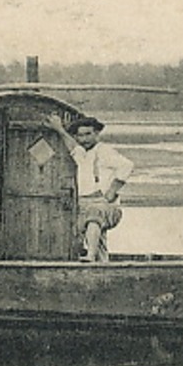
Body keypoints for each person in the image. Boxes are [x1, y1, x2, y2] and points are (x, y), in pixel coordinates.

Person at [46, 111, 133, 262]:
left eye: (88, 134)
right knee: (95, 238)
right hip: (85, 203)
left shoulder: (104, 151)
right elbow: (72, 146)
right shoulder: (82, 153)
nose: (84, 139)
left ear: (97, 133)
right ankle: (101, 266)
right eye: (80, 136)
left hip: (105, 205)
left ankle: (91, 256)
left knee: (94, 216)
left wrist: (112, 191)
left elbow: (127, 166)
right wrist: (59, 129)